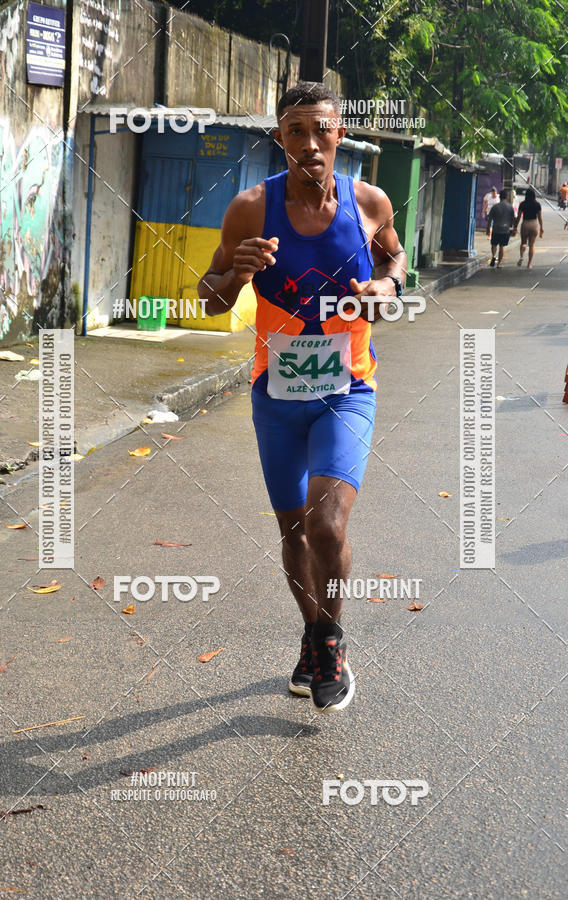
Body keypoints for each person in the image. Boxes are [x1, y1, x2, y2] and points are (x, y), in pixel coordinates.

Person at [198, 82, 407, 714]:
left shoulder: (369, 202)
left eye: (322, 129)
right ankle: (315, 635)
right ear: (279, 138)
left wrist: (388, 288)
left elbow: (398, 260)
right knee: (293, 532)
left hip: (349, 391)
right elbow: (208, 298)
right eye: (295, 130)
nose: (310, 143)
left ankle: (331, 641)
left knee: (326, 522)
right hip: (276, 396)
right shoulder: (249, 209)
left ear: (340, 133)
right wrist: (237, 271)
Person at [514, 186, 543, 269]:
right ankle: (529, 264)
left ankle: (521, 256)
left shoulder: (523, 204)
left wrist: (515, 226)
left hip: (525, 223)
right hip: (534, 224)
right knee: (532, 245)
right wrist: (541, 227)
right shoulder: (537, 204)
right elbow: (540, 217)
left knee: (523, 243)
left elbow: (519, 217)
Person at [487, 189, 514, 268]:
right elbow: (513, 219)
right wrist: (512, 227)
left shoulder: (495, 207)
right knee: (502, 246)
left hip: (496, 229)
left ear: (500, 197)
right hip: (505, 230)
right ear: (506, 197)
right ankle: (499, 263)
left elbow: (490, 219)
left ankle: (494, 256)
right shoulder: (510, 207)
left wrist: (488, 229)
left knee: (494, 245)